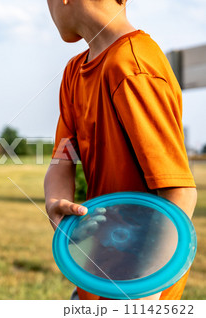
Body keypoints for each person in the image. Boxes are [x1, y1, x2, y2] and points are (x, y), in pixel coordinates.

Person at [44, 0, 197, 300]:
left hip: (137, 288)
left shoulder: (132, 67)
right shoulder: (74, 73)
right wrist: (57, 206)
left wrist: (141, 296)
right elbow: (62, 160)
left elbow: (179, 192)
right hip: (97, 276)